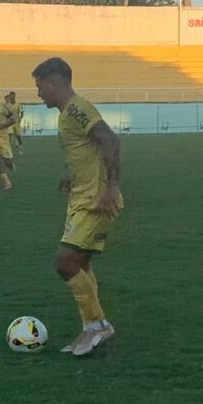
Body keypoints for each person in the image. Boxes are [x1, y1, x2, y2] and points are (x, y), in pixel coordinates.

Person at [31, 57, 122, 357]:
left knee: (65, 262)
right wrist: (70, 175)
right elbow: (88, 149)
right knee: (80, 264)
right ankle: (92, 328)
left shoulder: (77, 109)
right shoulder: (66, 114)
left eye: (40, 86)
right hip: (82, 196)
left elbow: (109, 140)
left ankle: (97, 326)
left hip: (95, 200)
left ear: (54, 83)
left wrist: (112, 187)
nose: (39, 93)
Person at [4, 91, 24, 155]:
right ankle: (8, 150)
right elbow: (5, 114)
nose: (12, 97)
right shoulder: (7, 105)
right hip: (10, 123)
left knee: (18, 137)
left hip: (16, 123)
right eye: (11, 96)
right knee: (9, 136)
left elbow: (22, 112)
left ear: (15, 96)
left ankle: (21, 149)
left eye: (13, 96)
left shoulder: (18, 104)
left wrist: (20, 118)